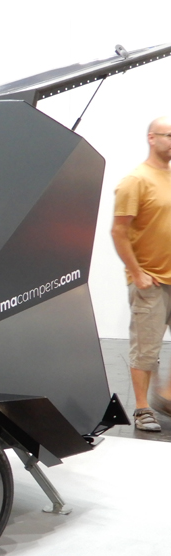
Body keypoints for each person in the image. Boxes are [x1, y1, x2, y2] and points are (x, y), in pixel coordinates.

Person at [111, 116, 171, 431]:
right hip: (151, 281)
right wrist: (137, 273)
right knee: (146, 350)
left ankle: (167, 395)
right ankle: (142, 408)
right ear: (152, 138)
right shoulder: (136, 180)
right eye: (169, 135)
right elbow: (119, 231)